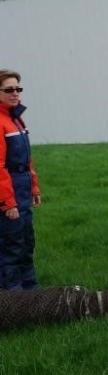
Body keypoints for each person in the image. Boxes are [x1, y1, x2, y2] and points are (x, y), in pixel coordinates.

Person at [0, 69, 42, 291]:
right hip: (10, 196)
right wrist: (8, 203)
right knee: (11, 247)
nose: (15, 93)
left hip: (23, 192)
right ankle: (11, 301)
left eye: (18, 88)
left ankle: (30, 296)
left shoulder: (15, 118)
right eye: (9, 89)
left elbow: (27, 161)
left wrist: (34, 189)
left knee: (26, 244)